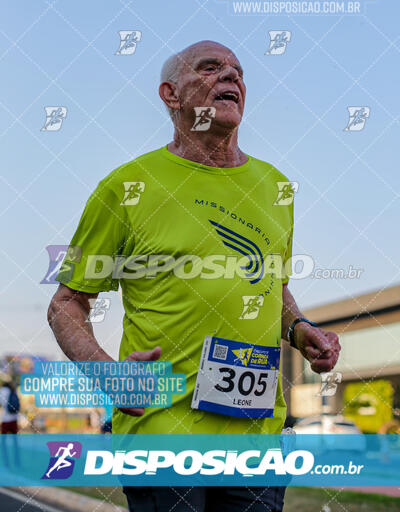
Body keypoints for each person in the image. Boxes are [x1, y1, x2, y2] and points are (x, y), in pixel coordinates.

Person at [48, 40, 341, 511]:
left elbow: (272, 285)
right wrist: (106, 370)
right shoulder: (127, 187)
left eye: (238, 71)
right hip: (163, 434)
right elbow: (65, 304)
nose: (231, 76)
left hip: (256, 439)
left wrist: (299, 329)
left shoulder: (276, 187)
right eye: (210, 68)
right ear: (171, 94)